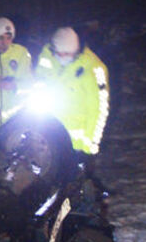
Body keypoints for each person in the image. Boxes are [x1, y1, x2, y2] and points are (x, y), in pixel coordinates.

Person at [35, 27, 109, 157]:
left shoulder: (94, 69)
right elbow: (38, 81)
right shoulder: (47, 56)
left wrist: (90, 145)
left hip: (76, 145)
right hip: (47, 140)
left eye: (67, 54)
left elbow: (98, 110)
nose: (63, 57)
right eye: (59, 53)